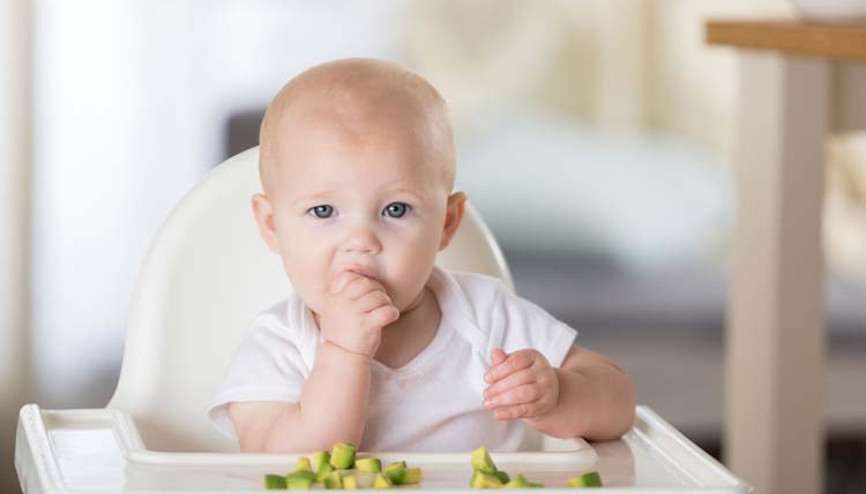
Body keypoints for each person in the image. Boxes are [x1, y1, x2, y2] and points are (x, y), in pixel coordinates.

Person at [207, 57, 635, 453]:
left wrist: (558, 395)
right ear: (272, 226)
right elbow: (279, 461)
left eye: (396, 210)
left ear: (446, 224)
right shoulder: (278, 345)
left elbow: (618, 402)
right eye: (324, 211)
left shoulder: (487, 319)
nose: (361, 240)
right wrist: (342, 352)